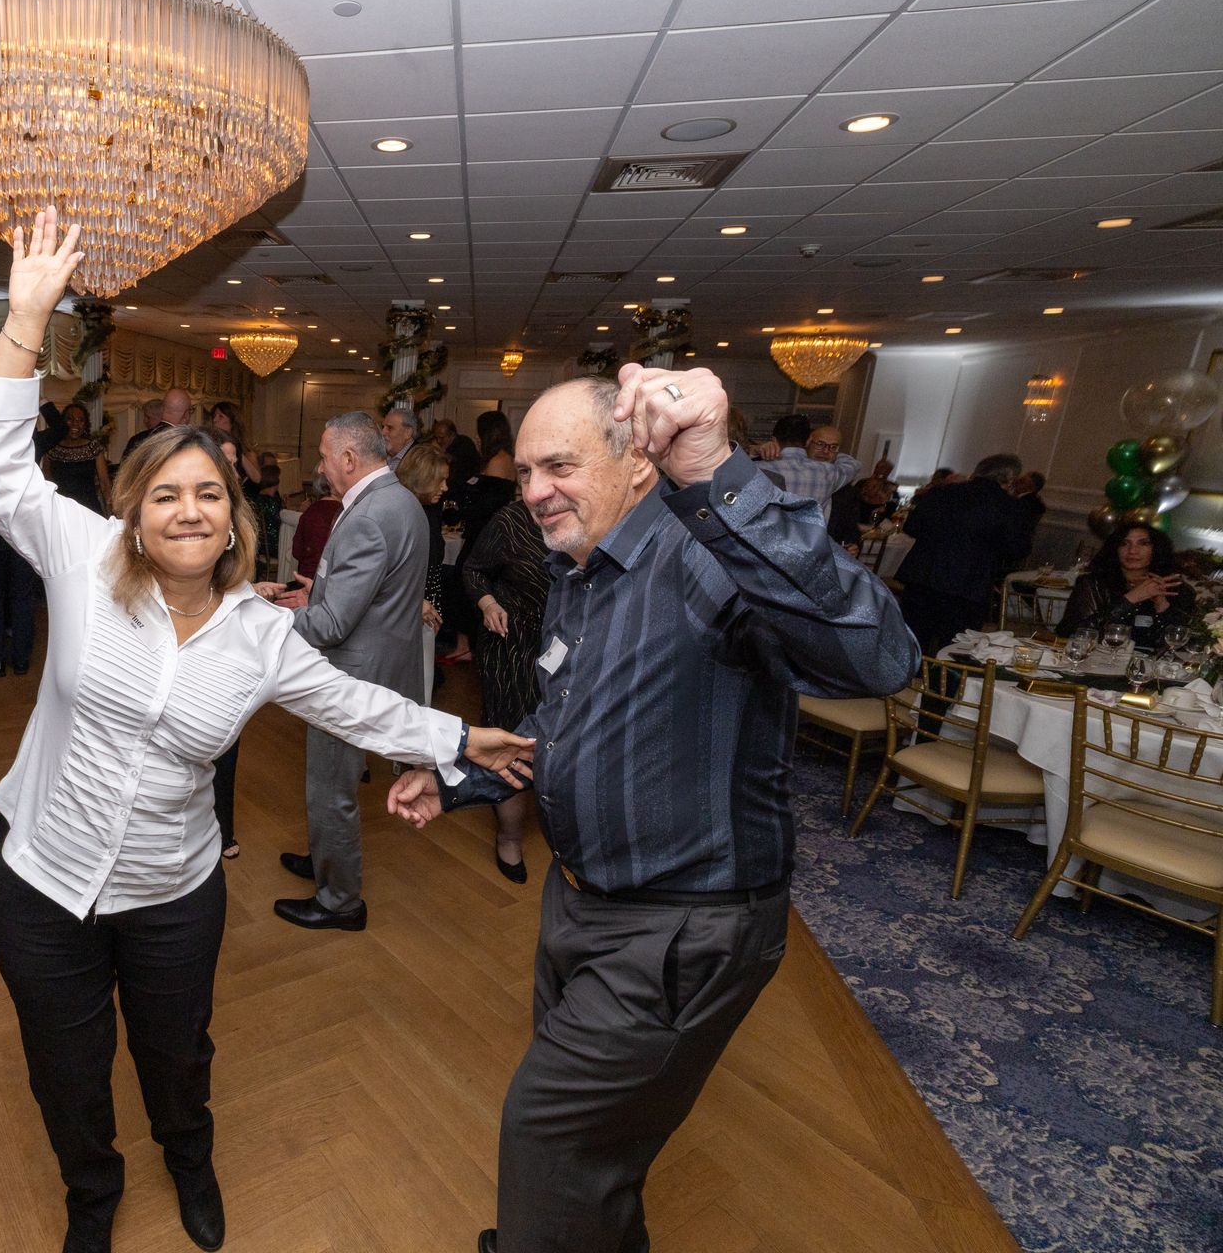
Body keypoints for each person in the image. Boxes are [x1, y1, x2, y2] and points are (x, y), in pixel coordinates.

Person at [0, 209, 532, 1253]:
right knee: (65, 1062)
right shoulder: (84, 561)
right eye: (167, 493)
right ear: (134, 509)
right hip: (40, 877)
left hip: (175, 889)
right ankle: (92, 1192)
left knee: (179, 1053)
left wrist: (457, 739)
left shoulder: (259, 634)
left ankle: (190, 1156)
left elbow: (355, 699)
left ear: (236, 514)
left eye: (210, 493)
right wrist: (25, 321)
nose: (189, 510)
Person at [389, 364, 918, 1253]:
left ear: (639, 459)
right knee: (595, 1159)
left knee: (549, 1131)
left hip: (683, 928)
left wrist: (716, 470)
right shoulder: (579, 572)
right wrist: (461, 780)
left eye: (558, 466)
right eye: (523, 473)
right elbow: (563, 723)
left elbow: (880, 657)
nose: (535, 492)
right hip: (583, 907)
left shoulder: (711, 555)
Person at [262, 410, 432, 932]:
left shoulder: (365, 516)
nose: (320, 465)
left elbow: (333, 625)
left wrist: (266, 618)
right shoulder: (402, 501)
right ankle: (324, 861)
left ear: (350, 458)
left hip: (352, 674)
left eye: (323, 455)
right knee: (332, 785)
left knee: (330, 788)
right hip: (383, 659)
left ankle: (340, 901)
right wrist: (317, 591)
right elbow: (380, 594)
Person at [460, 498, 550, 885]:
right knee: (515, 735)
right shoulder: (511, 519)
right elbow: (473, 570)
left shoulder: (593, 515)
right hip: (510, 643)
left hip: (563, 645)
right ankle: (509, 837)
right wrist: (488, 602)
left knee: (556, 736)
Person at [893, 453, 1038, 656]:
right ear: (1010, 479)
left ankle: (904, 680)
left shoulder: (941, 493)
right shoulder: (1009, 506)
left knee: (913, 639)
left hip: (923, 577)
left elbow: (912, 527)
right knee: (954, 647)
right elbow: (1018, 549)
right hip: (967, 584)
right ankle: (940, 686)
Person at [443, 409, 519, 664]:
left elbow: (485, 504)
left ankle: (466, 646)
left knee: (464, 581)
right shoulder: (499, 458)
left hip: (485, 533)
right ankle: (468, 645)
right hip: (483, 530)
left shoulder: (498, 461)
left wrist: (459, 510)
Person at [1054, 524, 1194, 650]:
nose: (1132, 551)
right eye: (1124, 544)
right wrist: (1130, 599)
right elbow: (1074, 634)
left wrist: (1161, 605)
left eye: (1143, 544)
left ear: (1156, 549)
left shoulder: (1177, 590)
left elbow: (1178, 647)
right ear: (1115, 549)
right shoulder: (1093, 584)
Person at [397, 442, 452, 640]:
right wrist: (416, 602)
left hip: (426, 604)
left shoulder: (430, 510)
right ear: (422, 479)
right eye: (440, 480)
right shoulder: (403, 513)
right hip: (408, 608)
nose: (445, 487)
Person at [760, 422, 860, 525]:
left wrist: (756, 449)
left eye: (833, 447)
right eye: (820, 444)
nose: (825, 451)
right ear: (808, 442)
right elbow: (852, 463)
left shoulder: (843, 487)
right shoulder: (830, 474)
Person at [44, 402, 113, 513]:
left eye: (80, 420)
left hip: (89, 509)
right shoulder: (52, 448)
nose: (75, 424)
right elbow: (47, 480)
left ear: (85, 424)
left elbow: (104, 483)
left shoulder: (93, 447)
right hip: (61, 510)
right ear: (63, 422)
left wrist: (111, 513)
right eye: (70, 419)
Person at [290, 472, 343, 582]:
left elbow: (296, 551)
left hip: (305, 578)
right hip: (331, 581)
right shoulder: (344, 512)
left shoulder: (309, 512)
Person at [121, 387, 192, 462]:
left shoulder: (137, 439)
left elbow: (123, 471)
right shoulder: (185, 443)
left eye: (148, 417)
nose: (144, 421)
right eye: (191, 411)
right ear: (186, 414)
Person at [209, 401, 262, 486]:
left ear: (232, 421)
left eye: (220, 416)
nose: (215, 420)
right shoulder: (211, 445)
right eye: (214, 416)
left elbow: (257, 479)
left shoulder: (246, 452)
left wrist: (237, 449)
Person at [432, 418, 481, 489]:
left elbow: (457, 465)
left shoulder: (464, 443)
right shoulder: (442, 444)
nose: (438, 441)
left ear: (452, 435)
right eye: (436, 437)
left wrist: (442, 453)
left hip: (463, 487)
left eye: (442, 437)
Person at [381, 405, 417, 472]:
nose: (383, 432)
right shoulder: (382, 455)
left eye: (389, 428)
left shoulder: (419, 460)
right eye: (383, 427)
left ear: (407, 433)